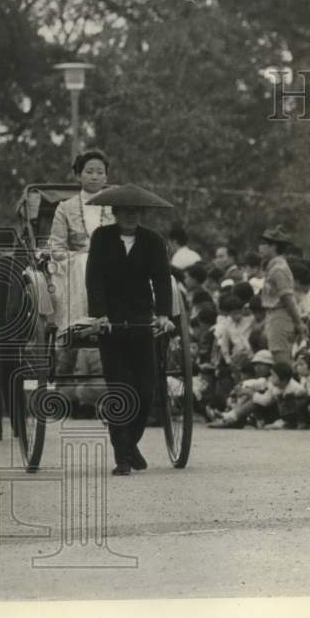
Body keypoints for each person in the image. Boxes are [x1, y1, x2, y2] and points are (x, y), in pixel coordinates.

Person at [84, 184, 175, 476]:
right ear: (115, 212)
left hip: (141, 320)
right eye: (124, 211)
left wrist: (163, 315)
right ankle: (122, 457)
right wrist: (99, 315)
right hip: (110, 323)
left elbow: (162, 280)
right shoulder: (101, 238)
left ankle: (130, 444)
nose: (129, 216)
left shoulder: (152, 241)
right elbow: (93, 278)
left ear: (141, 213)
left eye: (135, 212)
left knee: (146, 391)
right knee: (120, 389)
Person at [47, 149, 116, 372]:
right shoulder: (65, 208)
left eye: (99, 172)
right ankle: (81, 321)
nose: (94, 176)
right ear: (78, 176)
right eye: (89, 171)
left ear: (106, 176)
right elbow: (56, 247)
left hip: (112, 262)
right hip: (75, 264)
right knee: (86, 262)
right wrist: (83, 256)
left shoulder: (117, 206)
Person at [258, 226, 302, 365]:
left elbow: (287, 297)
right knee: (278, 358)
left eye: (264, 244)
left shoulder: (278, 268)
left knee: (281, 360)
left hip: (280, 315)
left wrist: (298, 322)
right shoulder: (272, 266)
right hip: (274, 315)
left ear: (273, 247)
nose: (260, 247)